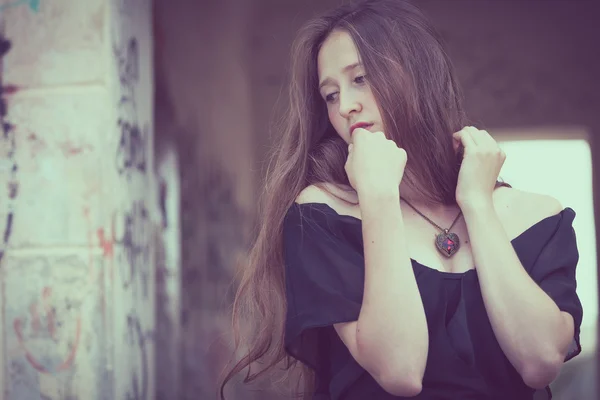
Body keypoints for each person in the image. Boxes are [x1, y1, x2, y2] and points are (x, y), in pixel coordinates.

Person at [219, 0, 583, 399]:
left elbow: (540, 361)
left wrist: (477, 204)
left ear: (417, 75)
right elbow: (400, 370)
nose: (345, 106)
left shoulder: (540, 216)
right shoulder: (324, 214)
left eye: (359, 78)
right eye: (330, 95)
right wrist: (378, 197)